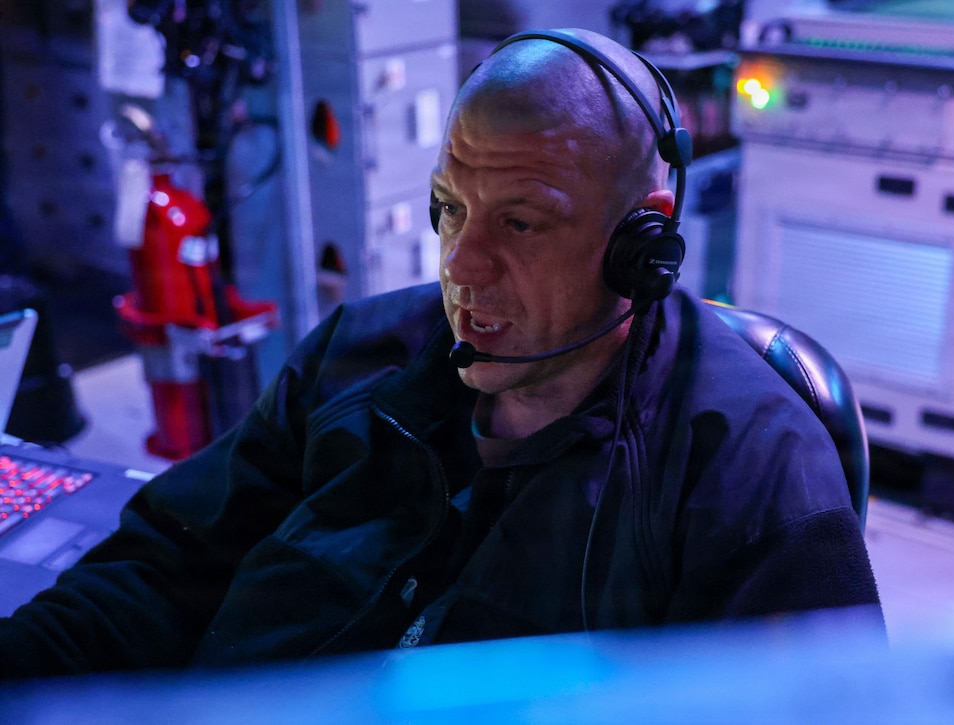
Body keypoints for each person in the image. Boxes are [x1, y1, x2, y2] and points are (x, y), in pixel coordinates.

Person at [0, 28, 882, 679]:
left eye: (520, 222)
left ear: (641, 242)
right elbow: (164, 566)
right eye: (449, 208)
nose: (460, 266)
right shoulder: (359, 354)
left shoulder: (752, 474)